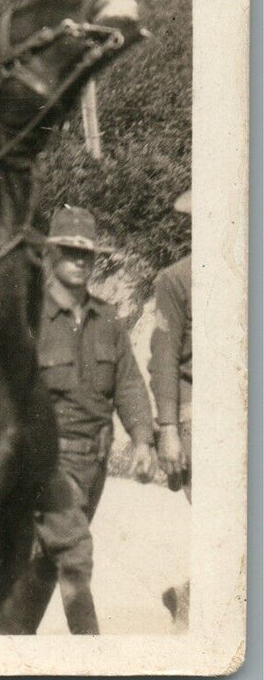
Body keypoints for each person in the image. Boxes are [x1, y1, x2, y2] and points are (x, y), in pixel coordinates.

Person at [13, 205, 158, 635]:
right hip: (49, 462)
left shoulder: (107, 319)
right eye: (69, 252)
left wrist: (143, 440)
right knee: (75, 554)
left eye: (86, 254)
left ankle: (11, 640)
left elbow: (128, 384)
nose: (79, 261)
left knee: (49, 559)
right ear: (51, 255)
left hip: (94, 464)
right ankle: (92, 654)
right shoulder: (29, 320)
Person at [150, 190, 192, 627]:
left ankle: (189, 595)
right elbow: (164, 358)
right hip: (198, 418)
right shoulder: (176, 280)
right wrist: (169, 428)